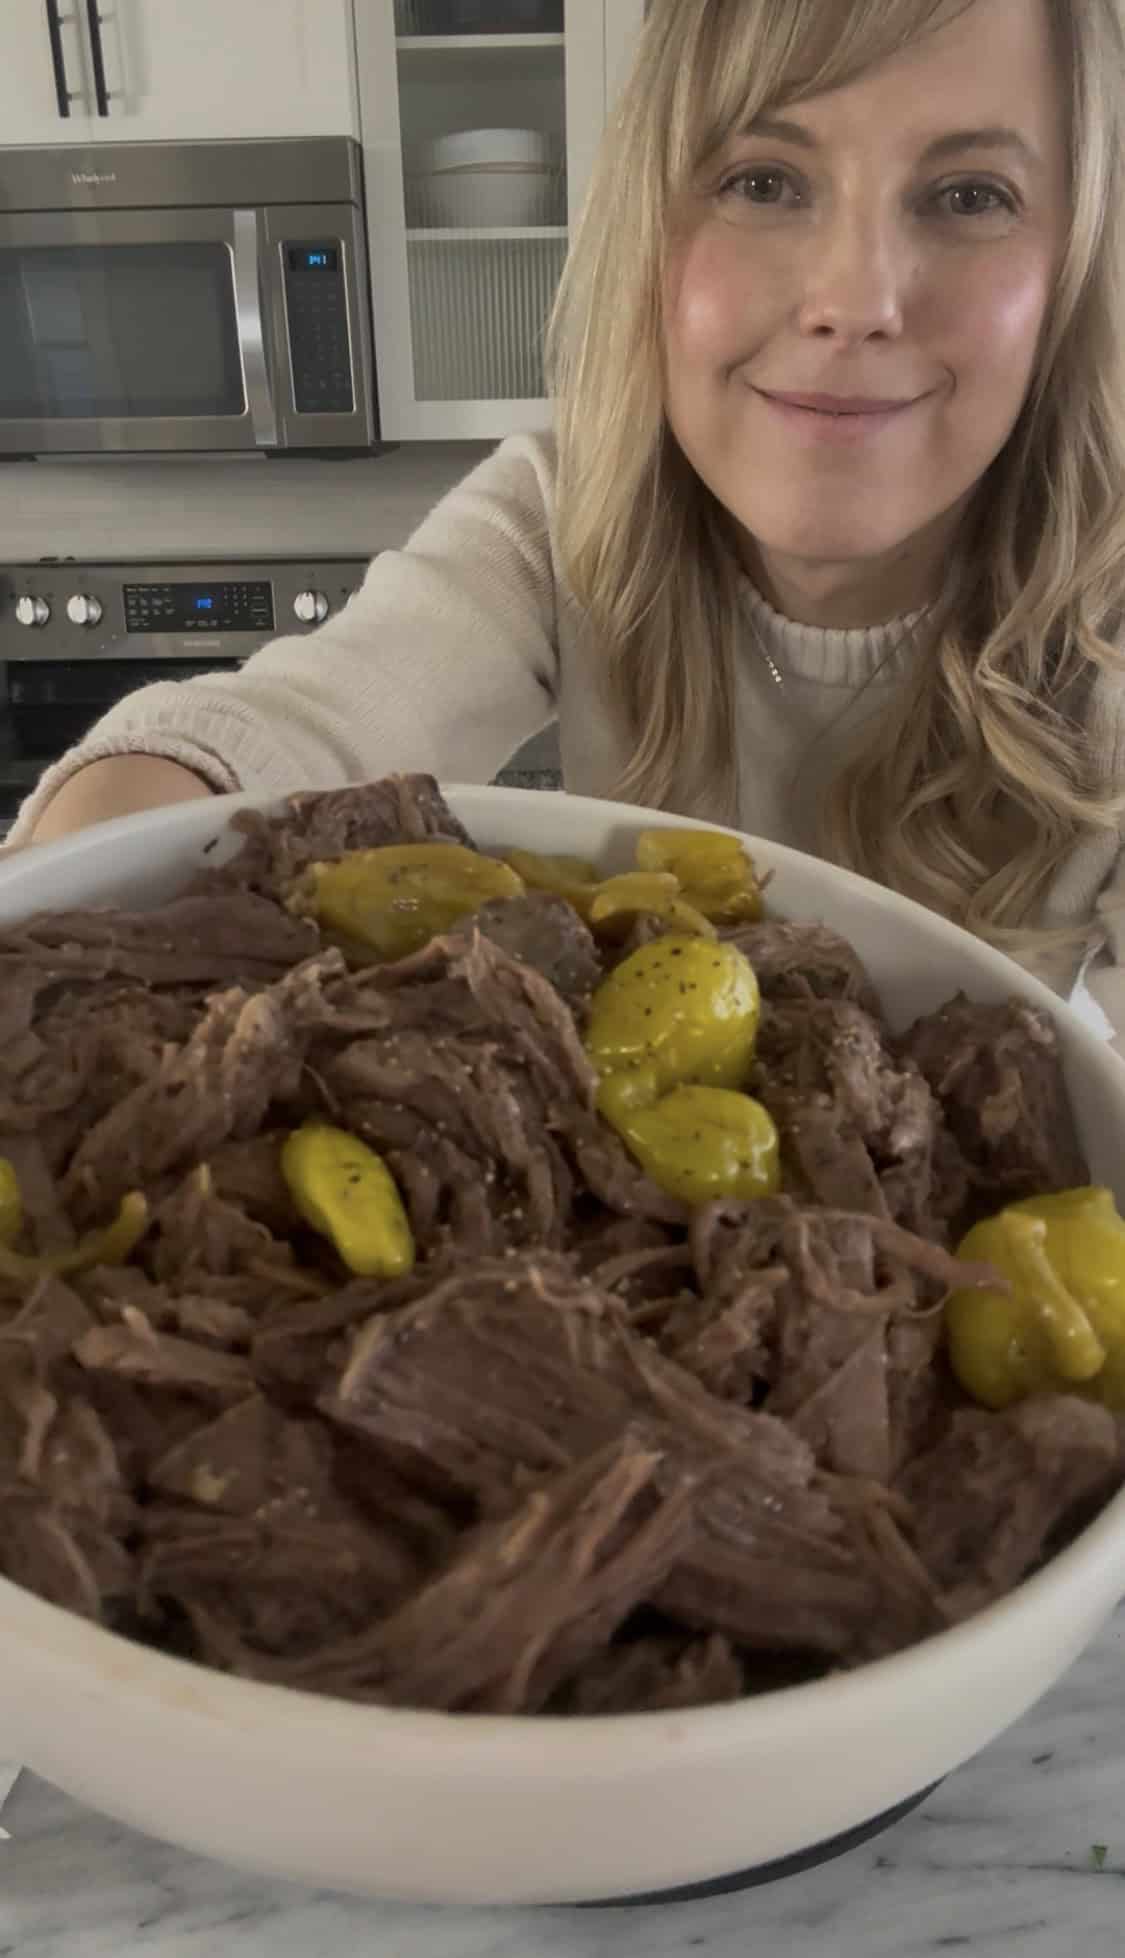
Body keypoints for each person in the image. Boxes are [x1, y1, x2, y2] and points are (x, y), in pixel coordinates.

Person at [13, 0, 1125, 1033]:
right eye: (765, 181)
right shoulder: (563, 519)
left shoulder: (1106, 623)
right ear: (649, 227)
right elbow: (305, 719)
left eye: (971, 194)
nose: (855, 300)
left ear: (1073, 266)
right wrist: (91, 869)